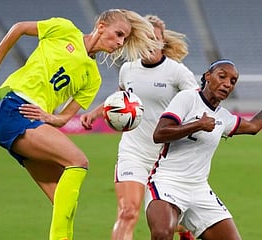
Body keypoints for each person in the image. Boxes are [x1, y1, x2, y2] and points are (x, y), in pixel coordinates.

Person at [0, 9, 161, 240]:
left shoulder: (93, 77)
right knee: (78, 161)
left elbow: (64, 117)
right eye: (118, 34)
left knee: (63, 202)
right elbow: (19, 27)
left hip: (33, 119)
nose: (120, 42)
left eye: (124, 39)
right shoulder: (64, 29)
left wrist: (51, 118)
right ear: (101, 26)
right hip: (16, 109)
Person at [145, 59, 262, 240]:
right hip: (167, 182)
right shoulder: (187, 98)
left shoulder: (223, 117)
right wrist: (197, 125)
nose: (227, 84)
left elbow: (254, 126)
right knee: (162, 234)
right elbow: (159, 134)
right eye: (222, 76)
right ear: (208, 77)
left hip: (199, 189)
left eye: (232, 81)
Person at [80, 15, 198, 240]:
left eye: (156, 38)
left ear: (163, 42)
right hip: (133, 153)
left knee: (172, 224)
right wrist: (95, 113)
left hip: (168, 160)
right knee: (127, 212)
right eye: (146, 38)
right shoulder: (128, 70)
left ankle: (185, 231)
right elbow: (123, 99)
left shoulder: (178, 72)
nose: (151, 43)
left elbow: (196, 103)